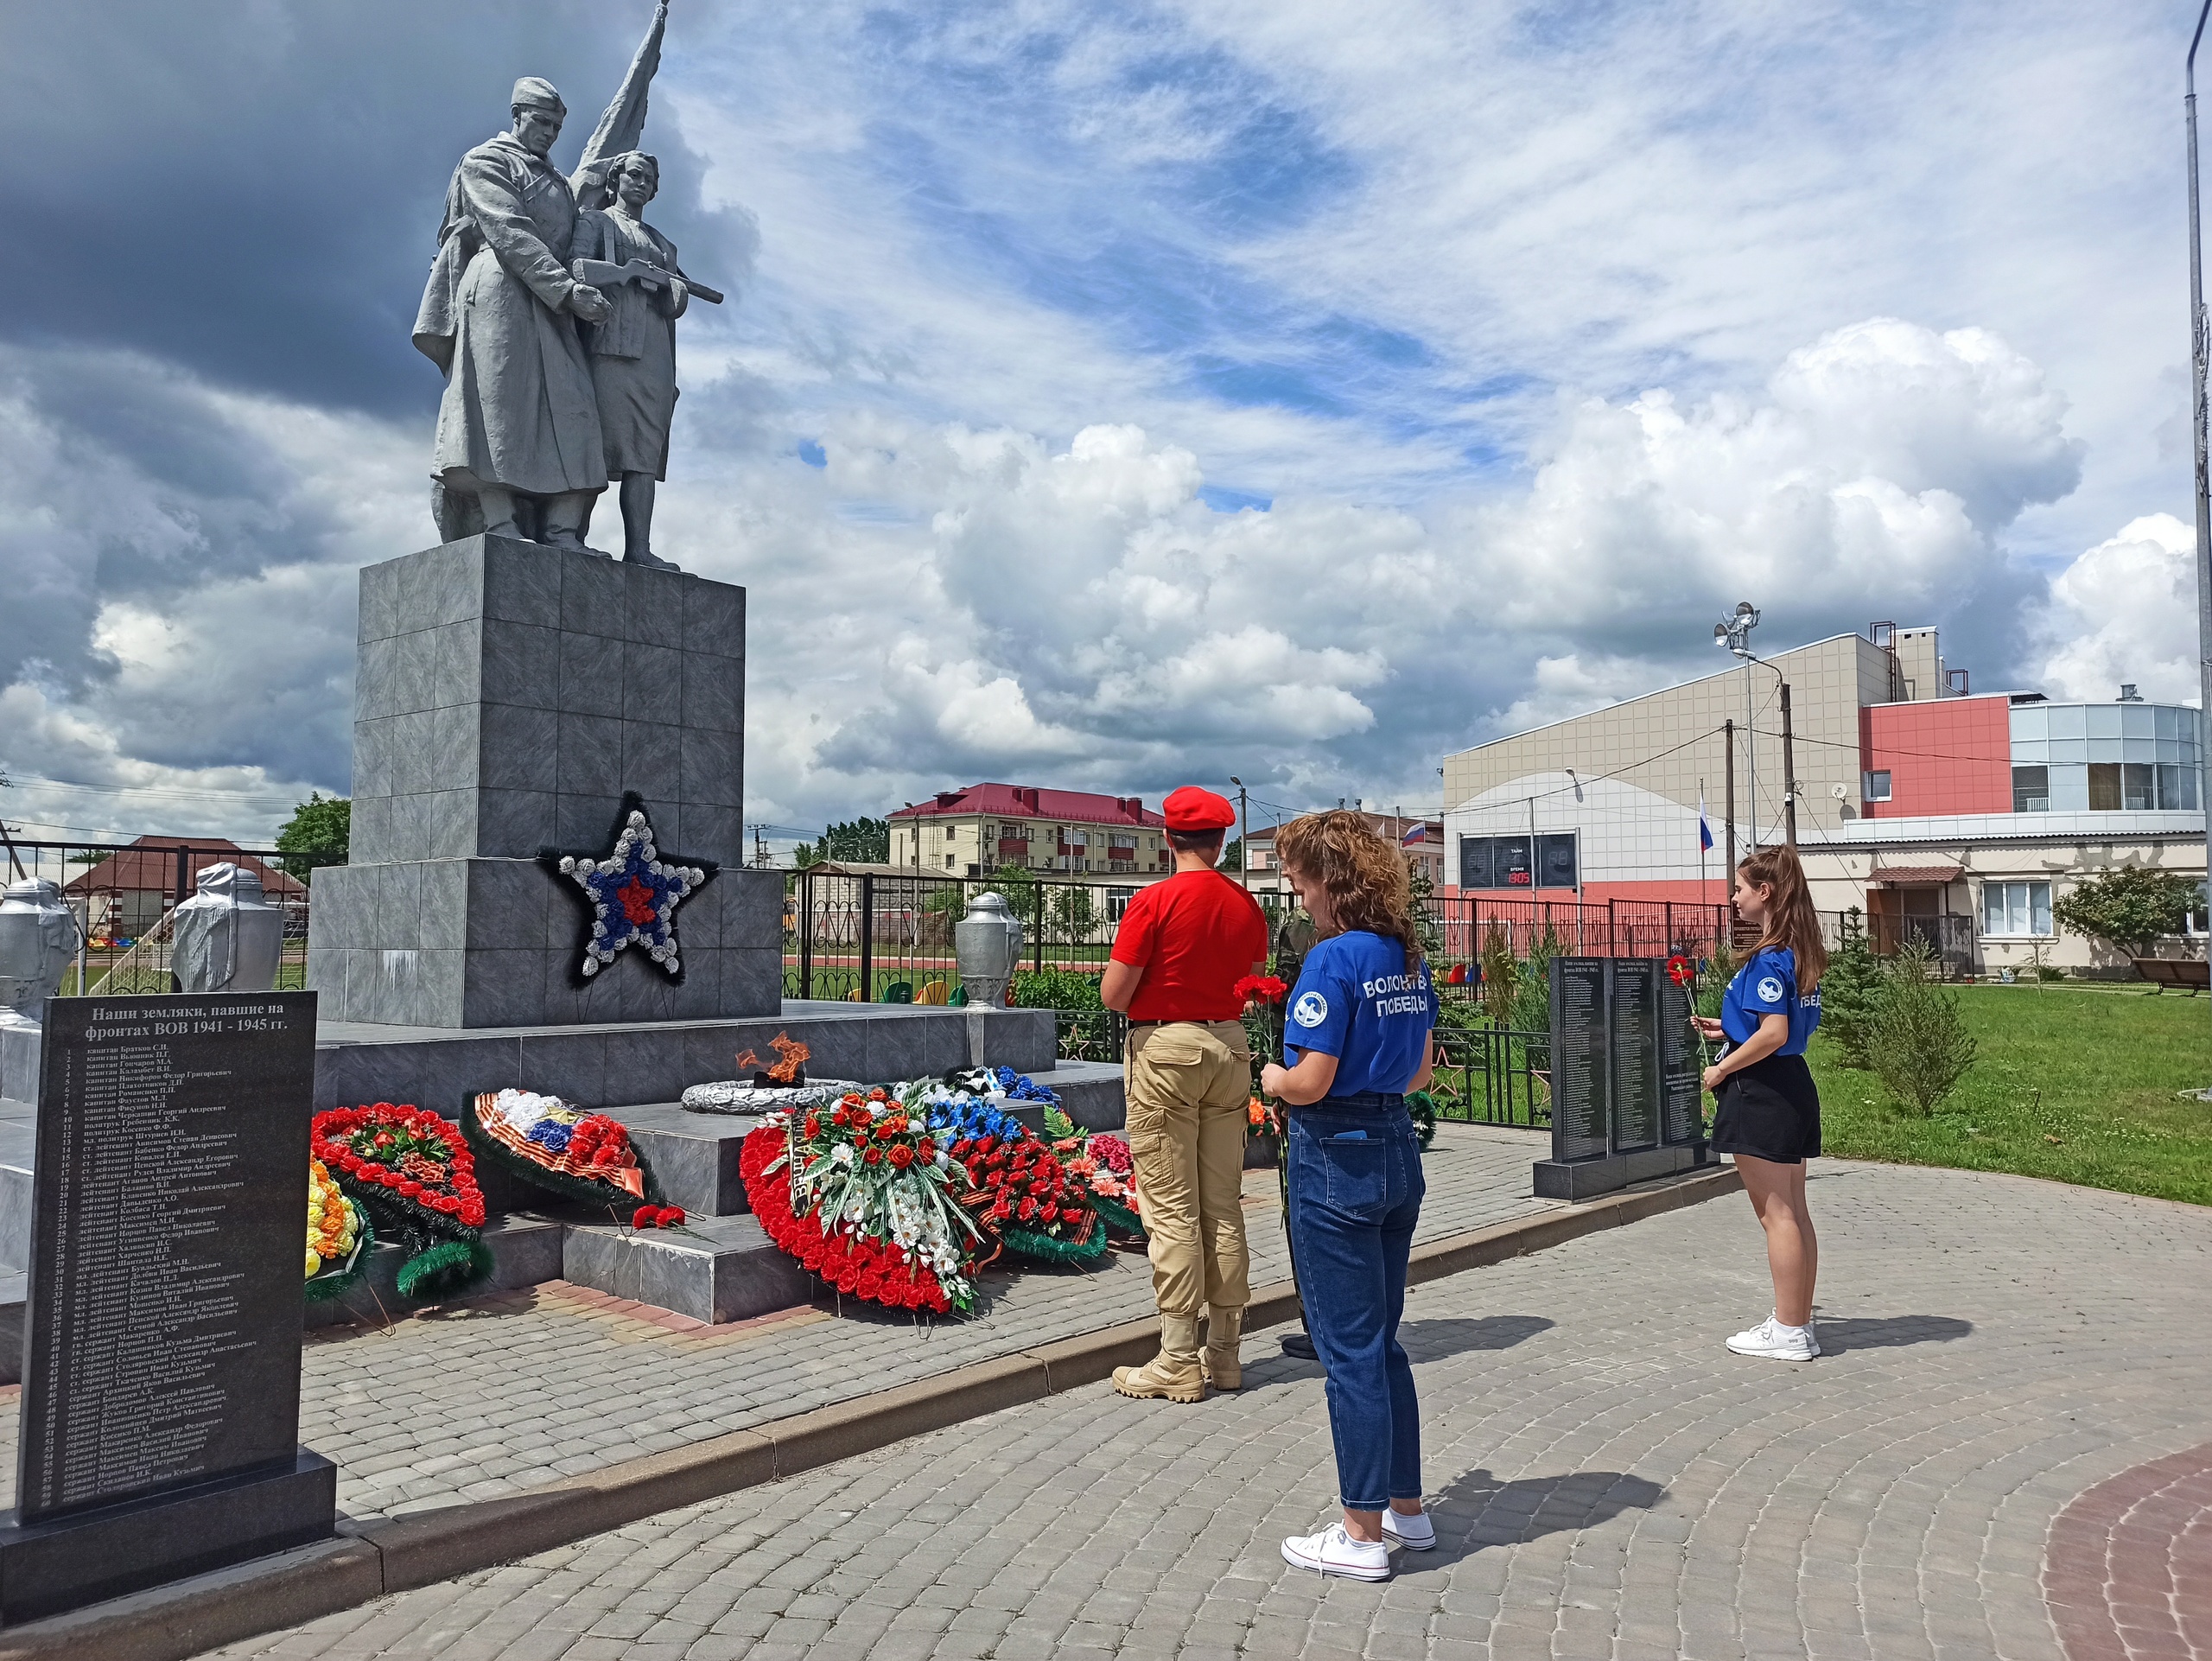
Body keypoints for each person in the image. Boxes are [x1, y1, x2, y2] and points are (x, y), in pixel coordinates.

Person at [1259, 811, 1438, 1581]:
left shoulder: (1330, 962)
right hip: (1399, 1148)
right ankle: (1407, 1507)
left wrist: (1270, 1077)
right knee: (1385, 1341)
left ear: (1330, 882)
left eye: (1299, 883)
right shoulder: (1406, 955)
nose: (1297, 899)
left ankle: (1360, 1535)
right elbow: (1423, 1072)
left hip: (1334, 1156)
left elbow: (1309, 1080)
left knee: (1349, 1353)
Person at [1102, 786, 1270, 1404]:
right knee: (1222, 1204)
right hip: (1230, 1048)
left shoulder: (1154, 900)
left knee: (1171, 1207)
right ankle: (1224, 1354)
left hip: (1167, 1051)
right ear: (1222, 842)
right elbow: (1251, 983)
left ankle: (1177, 1357)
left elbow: (1115, 995)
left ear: (1167, 838)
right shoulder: (1245, 904)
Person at [414, 78, 613, 551]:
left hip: (550, 297)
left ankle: (562, 529)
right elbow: (510, 230)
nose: (548, 132)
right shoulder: (486, 161)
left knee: (575, 410)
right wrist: (566, 292)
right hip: (502, 287)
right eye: (541, 121)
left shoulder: (560, 182)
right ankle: (498, 520)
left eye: (557, 125)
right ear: (517, 115)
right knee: (499, 407)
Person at [1693, 843, 1828, 1363]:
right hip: (1790, 1084)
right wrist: (1727, 1028)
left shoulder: (1771, 956)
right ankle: (1798, 1321)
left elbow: (1773, 1031)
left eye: (1741, 888)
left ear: (1764, 892)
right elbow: (1775, 1027)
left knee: (1778, 1217)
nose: (1734, 897)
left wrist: (1722, 1068)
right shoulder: (1801, 951)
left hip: (1762, 1090)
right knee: (1794, 1211)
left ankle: (1789, 1330)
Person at [573, 151, 690, 570]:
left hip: (655, 355)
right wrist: (624, 271)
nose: (642, 184)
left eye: (650, 179)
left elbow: (673, 304)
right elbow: (576, 269)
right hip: (611, 345)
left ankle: (638, 548)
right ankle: (571, 538)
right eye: (635, 175)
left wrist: (674, 293)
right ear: (617, 178)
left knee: (645, 454)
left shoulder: (664, 243)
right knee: (595, 446)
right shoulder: (595, 221)